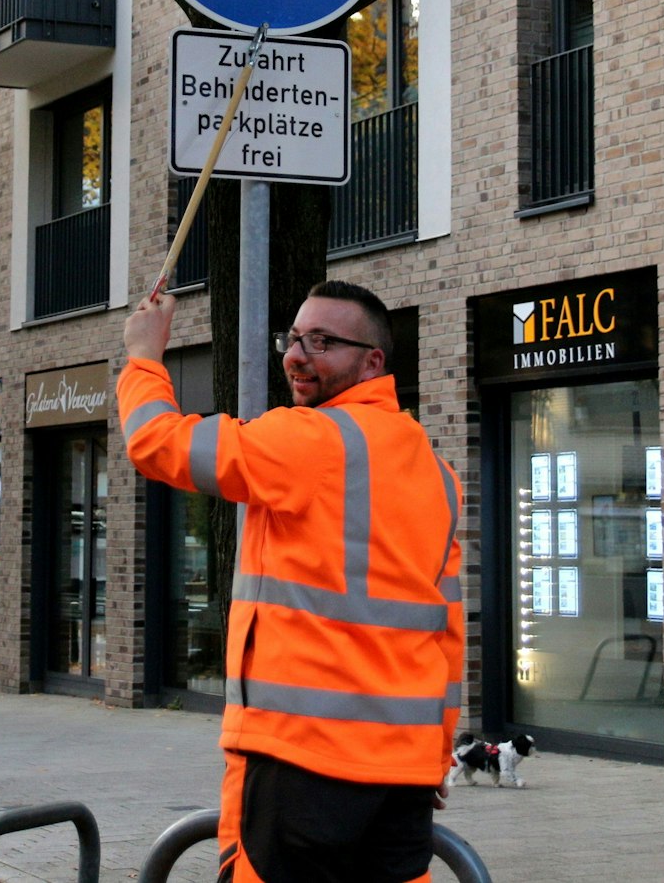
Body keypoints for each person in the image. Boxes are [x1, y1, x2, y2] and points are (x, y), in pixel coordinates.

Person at [119, 280, 465, 883]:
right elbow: (447, 631)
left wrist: (145, 357)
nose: (297, 354)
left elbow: (157, 443)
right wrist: (435, 755)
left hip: (302, 762)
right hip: (400, 779)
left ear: (373, 361)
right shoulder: (437, 474)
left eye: (323, 341)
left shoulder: (311, 439)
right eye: (295, 338)